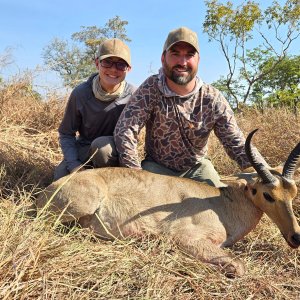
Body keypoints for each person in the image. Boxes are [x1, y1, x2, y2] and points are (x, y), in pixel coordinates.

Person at [114, 27, 268, 187]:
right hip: (157, 167)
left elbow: (235, 141)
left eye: (189, 55)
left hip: (197, 168)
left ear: (198, 60)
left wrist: (265, 171)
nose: (182, 62)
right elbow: (125, 130)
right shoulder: (151, 88)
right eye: (175, 54)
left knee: (222, 203)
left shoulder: (212, 98)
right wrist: (135, 175)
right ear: (163, 58)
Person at [54, 38, 136, 181]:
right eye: (107, 62)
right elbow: (66, 133)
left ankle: (109, 183)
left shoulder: (135, 95)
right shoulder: (80, 93)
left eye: (120, 64)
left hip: (115, 152)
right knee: (60, 179)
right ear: (97, 63)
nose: (113, 69)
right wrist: (74, 166)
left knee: (102, 148)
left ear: (128, 69)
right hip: (85, 148)